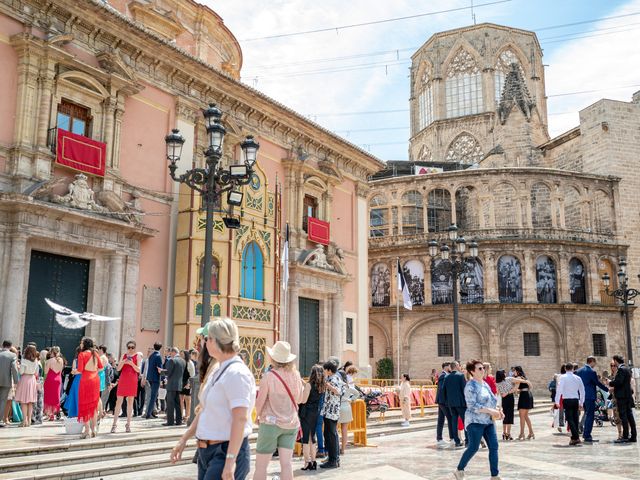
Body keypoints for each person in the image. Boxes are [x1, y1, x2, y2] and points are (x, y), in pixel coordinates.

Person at [170, 318, 255, 480]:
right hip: (208, 451)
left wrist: (230, 461)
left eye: (207, 338)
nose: (204, 343)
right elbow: (205, 410)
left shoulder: (237, 373)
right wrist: (183, 439)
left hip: (224, 452)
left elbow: (240, 418)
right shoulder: (219, 370)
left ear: (216, 341)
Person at [253, 341, 303, 480]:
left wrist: (256, 416)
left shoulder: (269, 376)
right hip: (291, 423)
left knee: (261, 466)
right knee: (286, 464)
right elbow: (299, 399)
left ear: (273, 358)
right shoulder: (296, 375)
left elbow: (260, 402)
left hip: (270, 423)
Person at [453, 360, 502, 480]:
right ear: (472, 372)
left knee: (494, 446)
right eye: (479, 368)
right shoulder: (470, 386)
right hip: (475, 422)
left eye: (483, 368)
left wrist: (498, 410)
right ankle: (459, 469)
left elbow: (492, 399)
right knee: (473, 447)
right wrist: (491, 411)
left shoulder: (484, 384)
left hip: (488, 421)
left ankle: (495, 475)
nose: (483, 370)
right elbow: (472, 406)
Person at [575, 356, 608, 443]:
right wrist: (607, 389)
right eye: (595, 362)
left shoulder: (579, 371)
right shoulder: (591, 371)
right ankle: (587, 435)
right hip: (589, 397)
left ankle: (585, 434)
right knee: (590, 415)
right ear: (592, 361)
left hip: (582, 397)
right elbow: (597, 383)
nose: (595, 364)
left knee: (586, 414)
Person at [320, 360, 345, 469]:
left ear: (329, 370)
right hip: (329, 410)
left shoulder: (334, 379)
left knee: (331, 435)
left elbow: (337, 391)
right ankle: (333, 458)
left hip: (331, 411)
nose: (324, 372)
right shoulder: (333, 378)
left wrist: (327, 385)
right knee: (330, 434)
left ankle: (333, 460)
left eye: (325, 370)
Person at [112, 341, 141, 433]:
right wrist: (124, 361)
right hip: (123, 379)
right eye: (129, 347)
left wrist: (132, 363)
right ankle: (114, 424)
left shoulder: (138, 356)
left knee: (130, 402)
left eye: (132, 347)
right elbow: (118, 369)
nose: (131, 349)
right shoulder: (124, 355)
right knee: (118, 401)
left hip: (132, 379)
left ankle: (128, 424)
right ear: (127, 347)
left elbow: (139, 369)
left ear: (135, 348)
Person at [299, 364, 325, 471]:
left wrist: (298, 398)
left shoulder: (309, 385)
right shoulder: (321, 386)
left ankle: (307, 462)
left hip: (306, 414)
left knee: (306, 439)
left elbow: (304, 400)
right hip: (315, 413)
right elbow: (310, 390)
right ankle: (314, 462)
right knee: (312, 438)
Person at [77, 337, 103, 439]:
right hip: (95, 380)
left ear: (85, 344)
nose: (81, 344)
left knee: (84, 405)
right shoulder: (95, 354)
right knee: (93, 405)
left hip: (86, 380)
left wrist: (74, 371)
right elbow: (101, 368)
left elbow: (80, 370)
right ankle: (94, 429)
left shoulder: (82, 354)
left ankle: (87, 430)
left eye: (82, 343)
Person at [495, 369, 530, 441]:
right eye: (505, 372)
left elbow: (498, 393)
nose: (506, 373)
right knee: (509, 415)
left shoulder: (497, 383)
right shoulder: (508, 379)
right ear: (503, 374)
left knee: (504, 416)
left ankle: (504, 433)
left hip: (503, 399)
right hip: (510, 398)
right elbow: (519, 381)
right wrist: (526, 381)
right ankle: (508, 434)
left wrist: (499, 404)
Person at [609, 354, 637, 443]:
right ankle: (633, 436)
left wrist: (610, 382)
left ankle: (625, 436)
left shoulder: (621, 369)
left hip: (622, 397)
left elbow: (619, 382)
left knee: (623, 416)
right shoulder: (627, 369)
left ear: (616, 361)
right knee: (630, 416)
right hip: (627, 396)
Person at [443, 360, 467, 448]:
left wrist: (447, 401)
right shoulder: (461, 376)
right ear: (456, 366)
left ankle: (457, 441)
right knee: (465, 421)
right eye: (459, 365)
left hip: (451, 403)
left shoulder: (447, 377)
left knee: (454, 421)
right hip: (461, 403)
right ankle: (467, 440)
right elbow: (464, 389)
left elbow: (444, 390)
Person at [160, 346, 186, 427]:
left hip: (171, 385)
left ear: (174, 352)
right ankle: (179, 421)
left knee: (170, 404)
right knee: (178, 404)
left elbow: (169, 373)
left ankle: (170, 421)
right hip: (179, 385)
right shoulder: (183, 361)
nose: (170, 355)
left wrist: (161, 371)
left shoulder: (172, 360)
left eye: (170, 353)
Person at [14, 345, 39, 426]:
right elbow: (36, 373)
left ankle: (24, 421)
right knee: (30, 402)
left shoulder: (24, 360)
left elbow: (21, 372)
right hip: (32, 380)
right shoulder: (35, 360)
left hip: (25, 379)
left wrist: (18, 368)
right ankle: (28, 420)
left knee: (24, 401)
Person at [0, 340, 19, 427]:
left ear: (2, 345)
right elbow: (14, 369)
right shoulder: (12, 355)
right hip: (6, 381)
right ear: (10, 346)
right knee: (3, 400)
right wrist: (16, 382)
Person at [435, 362, 454, 447]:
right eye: (449, 366)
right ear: (446, 367)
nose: (450, 368)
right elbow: (442, 390)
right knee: (449, 418)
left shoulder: (444, 375)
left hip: (442, 401)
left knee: (441, 419)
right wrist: (445, 402)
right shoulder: (443, 376)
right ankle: (452, 438)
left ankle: (439, 438)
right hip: (443, 401)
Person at [513, 366, 534, 440]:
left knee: (522, 416)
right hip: (528, 395)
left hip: (524, 396)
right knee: (525, 416)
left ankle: (522, 434)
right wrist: (520, 390)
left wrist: (508, 391)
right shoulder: (524, 377)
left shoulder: (519, 378)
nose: (513, 372)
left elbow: (516, 388)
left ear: (518, 371)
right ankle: (531, 433)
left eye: (514, 371)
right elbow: (530, 386)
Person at [43, 346, 64, 421]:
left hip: (50, 379)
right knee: (56, 396)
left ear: (52, 352)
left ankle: (50, 415)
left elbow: (45, 372)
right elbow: (61, 371)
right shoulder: (61, 360)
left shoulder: (49, 361)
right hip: (58, 379)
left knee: (49, 396)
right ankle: (55, 413)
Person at [144, 342, 163, 419]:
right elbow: (160, 369)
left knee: (153, 396)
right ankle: (149, 414)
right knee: (153, 396)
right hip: (155, 379)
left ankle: (151, 412)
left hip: (150, 378)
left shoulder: (151, 355)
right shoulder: (158, 356)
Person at [180, 349, 196, 421]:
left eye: (182, 354)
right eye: (180, 354)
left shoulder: (190, 363)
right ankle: (180, 415)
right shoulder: (181, 362)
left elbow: (192, 375)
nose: (181, 356)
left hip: (187, 382)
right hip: (180, 382)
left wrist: (189, 384)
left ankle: (187, 415)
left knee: (187, 400)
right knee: (180, 399)